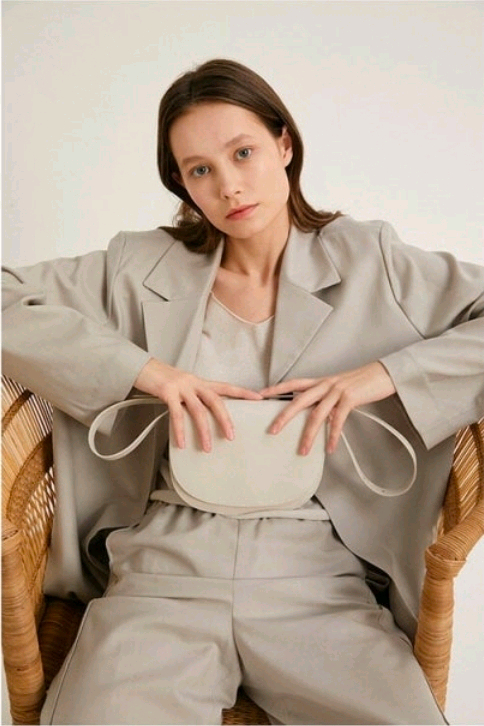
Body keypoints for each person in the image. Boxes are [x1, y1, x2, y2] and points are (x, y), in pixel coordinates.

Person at [2, 57, 483, 726]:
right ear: (181, 184)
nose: (228, 185)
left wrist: (385, 375)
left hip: (321, 577)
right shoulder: (138, 266)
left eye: (243, 152)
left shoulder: (372, 260)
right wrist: (143, 371)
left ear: (284, 144)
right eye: (199, 169)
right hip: (162, 568)